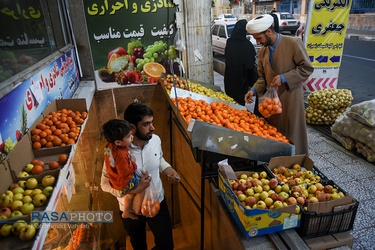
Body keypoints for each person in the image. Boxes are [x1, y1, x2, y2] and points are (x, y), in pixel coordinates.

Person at [101, 102, 180, 250]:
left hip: (157, 202)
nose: (152, 128)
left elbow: (159, 158)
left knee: (166, 245)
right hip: (130, 208)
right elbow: (104, 184)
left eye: (152, 123)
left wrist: (168, 169)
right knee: (138, 245)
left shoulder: (155, 140)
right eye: (146, 124)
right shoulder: (116, 152)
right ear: (132, 127)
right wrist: (132, 190)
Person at [244, 14, 314, 155]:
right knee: (275, 135)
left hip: (291, 99)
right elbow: (263, 77)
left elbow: (306, 68)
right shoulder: (263, 50)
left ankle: (296, 163)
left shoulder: (293, 43)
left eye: (259, 38)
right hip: (272, 105)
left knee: (293, 135)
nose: (257, 42)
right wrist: (253, 90)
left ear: (268, 32)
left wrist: (284, 78)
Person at [102, 119, 145, 220]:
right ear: (118, 142)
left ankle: (126, 211)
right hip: (123, 183)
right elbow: (124, 172)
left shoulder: (110, 146)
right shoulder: (121, 155)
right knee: (143, 185)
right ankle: (137, 210)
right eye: (129, 136)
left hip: (116, 180)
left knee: (134, 189)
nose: (132, 137)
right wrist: (133, 163)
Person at [224, 19, 258, 107]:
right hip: (242, 79)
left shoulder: (230, 42)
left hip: (229, 78)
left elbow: (227, 57)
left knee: (229, 100)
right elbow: (250, 65)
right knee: (239, 104)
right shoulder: (247, 45)